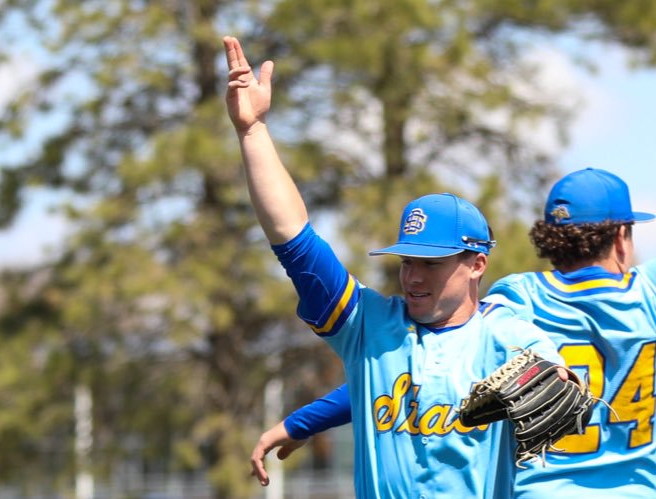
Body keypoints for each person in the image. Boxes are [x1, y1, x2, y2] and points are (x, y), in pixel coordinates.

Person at [248, 11, 656, 498]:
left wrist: (307, 419)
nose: (416, 275)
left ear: (547, 237)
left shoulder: (511, 303)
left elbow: (412, 370)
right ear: (623, 236)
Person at [224, 35, 581, 498]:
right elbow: (293, 239)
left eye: (431, 264)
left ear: (477, 264)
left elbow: (560, 381)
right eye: (407, 261)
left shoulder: (507, 336)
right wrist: (252, 132)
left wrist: (564, 379)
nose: (412, 276)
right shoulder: (368, 328)